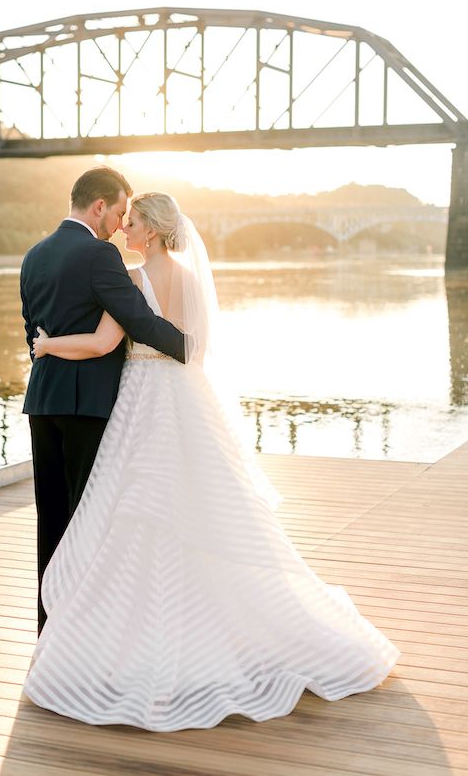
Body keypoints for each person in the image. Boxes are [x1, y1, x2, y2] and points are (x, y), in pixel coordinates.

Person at [22, 191, 400, 731]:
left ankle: (122, 643)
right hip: (186, 398)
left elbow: (105, 344)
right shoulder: (193, 277)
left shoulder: (132, 279)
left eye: (131, 225)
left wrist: (48, 346)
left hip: (142, 400)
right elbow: (192, 348)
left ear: (149, 232)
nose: (124, 230)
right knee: (203, 506)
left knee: (133, 510)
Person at [20, 168, 185, 636]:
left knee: (50, 515)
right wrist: (191, 351)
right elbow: (138, 320)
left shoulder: (34, 255)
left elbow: (33, 335)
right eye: (116, 212)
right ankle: (83, 634)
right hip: (88, 406)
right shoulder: (100, 254)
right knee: (87, 518)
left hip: (43, 401)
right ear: (98, 207)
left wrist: (52, 351)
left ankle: (48, 629)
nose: (118, 223)